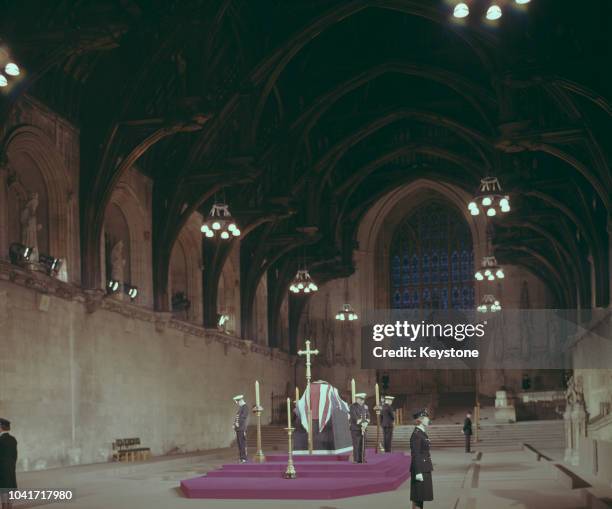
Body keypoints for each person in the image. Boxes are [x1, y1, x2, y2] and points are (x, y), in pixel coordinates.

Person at [410, 409, 433, 509]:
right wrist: (418, 472)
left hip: (424, 468)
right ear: (421, 419)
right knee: (418, 497)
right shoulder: (417, 435)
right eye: (426, 418)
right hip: (420, 469)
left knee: (421, 496)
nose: (428, 419)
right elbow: (416, 454)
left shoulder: (422, 433)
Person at [0, 418, 17, 509]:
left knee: (3, 491)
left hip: (1, 469)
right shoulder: (13, 439)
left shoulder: (0, 440)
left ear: (0, 428)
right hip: (10, 468)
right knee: (9, 489)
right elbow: (15, 455)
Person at [349, 392, 370, 463]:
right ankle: (356, 459)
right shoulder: (352, 406)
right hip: (355, 429)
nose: (362, 401)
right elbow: (354, 417)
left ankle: (362, 459)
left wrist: (366, 423)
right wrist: (361, 423)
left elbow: (368, 416)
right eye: (361, 399)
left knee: (363, 444)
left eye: (363, 400)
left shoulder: (365, 406)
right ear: (357, 399)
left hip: (364, 428)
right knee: (356, 444)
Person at [232, 395, 249, 463]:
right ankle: (241, 458)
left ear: (241, 401)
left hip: (241, 428)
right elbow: (237, 417)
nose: (238, 403)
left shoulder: (245, 407)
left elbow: (243, 418)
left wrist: (237, 425)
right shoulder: (241, 408)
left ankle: (244, 458)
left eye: (238, 402)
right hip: (238, 428)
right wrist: (234, 424)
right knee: (239, 443)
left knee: (242, 443)